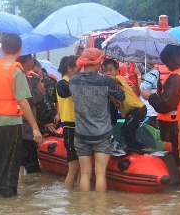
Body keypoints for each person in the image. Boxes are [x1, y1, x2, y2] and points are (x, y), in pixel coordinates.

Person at [0, 34, 43, 198]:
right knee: (11, 168)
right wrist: (35, 128)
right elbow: (22, 100)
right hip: (11, 124)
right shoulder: (15, 69)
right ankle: (8, 209)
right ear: (20, 49)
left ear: (3, 48)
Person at [141, 45, 180, 190]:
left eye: (166, 62)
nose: (166, 65)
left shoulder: (176, 77)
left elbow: (165, 105)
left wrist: (150, 96)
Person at [69, 48, 125, 192]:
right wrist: (114, 80)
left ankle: (85, 209)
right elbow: (121, 96)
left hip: (81, 134)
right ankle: (100, 212)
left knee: (85, 174)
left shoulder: (73, 80)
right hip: (104, 134)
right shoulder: (105, 81)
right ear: (98, 62)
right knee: (100, 174)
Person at [101, 58, 150, 154]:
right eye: (104, 71)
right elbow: (110, 93)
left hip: (137, 109)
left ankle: (143, 148)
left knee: (125, 130)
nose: (107, 73)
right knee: (130, 134)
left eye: (110, 70)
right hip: (131, 112)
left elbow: (112, 79)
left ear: (117, 70)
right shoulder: (110, 86)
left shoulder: (119, 78)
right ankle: (136, 150)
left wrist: (99, 75)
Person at [17, 54, 44, 178]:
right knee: (21, 162)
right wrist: (37, 85)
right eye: (32, 59)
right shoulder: (25, 77)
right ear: (28, 60)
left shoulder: (21, 75)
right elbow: (33, 99)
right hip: (25, 124)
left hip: (20, 122)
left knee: (27, 162)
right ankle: (21, 190)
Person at [56, 55, 81, 189]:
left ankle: (77, 199)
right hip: (70, 127)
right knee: (74, 166)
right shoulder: (62, 84)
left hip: (81, 126)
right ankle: (70, 197)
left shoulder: (75, 82)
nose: (80, 71)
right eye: (78, 68)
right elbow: (65, 93)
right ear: (69, 68)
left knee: (82, 166)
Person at [139, 62, 160, 128]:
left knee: (148, 135)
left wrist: (138, 75)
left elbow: (143, 88)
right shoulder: (147, 72)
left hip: (149, 110)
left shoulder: (154, 72)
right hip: (143, 109)